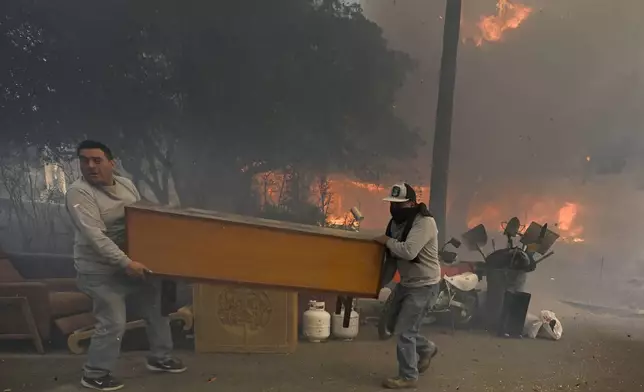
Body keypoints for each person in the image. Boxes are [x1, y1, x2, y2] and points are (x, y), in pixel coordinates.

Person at [66, 140, 186, 391]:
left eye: (96, 160)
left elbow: (141, 219)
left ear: (112, 163)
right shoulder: (79, 192)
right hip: (99, 270)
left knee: (157, 308)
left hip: (131, 262)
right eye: (84, 160)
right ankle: (95, 373)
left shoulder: (126, 185)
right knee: (113, 321)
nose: (90, 165)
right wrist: (126, 262)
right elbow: (96, 238)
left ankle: (160, 358)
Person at [374, 183, 441, 389]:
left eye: (399, 204)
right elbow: (392, 259)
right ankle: (426, 347)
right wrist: (377, 286)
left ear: (411, 203)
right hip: (406, 283)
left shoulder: (425, 223)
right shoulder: (395, 224)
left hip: (424, 285)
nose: (394, 208)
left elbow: (409, 251)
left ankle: (408, 376)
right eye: (392, 204)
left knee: (405, 332)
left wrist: (386, 241)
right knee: (392, 326)